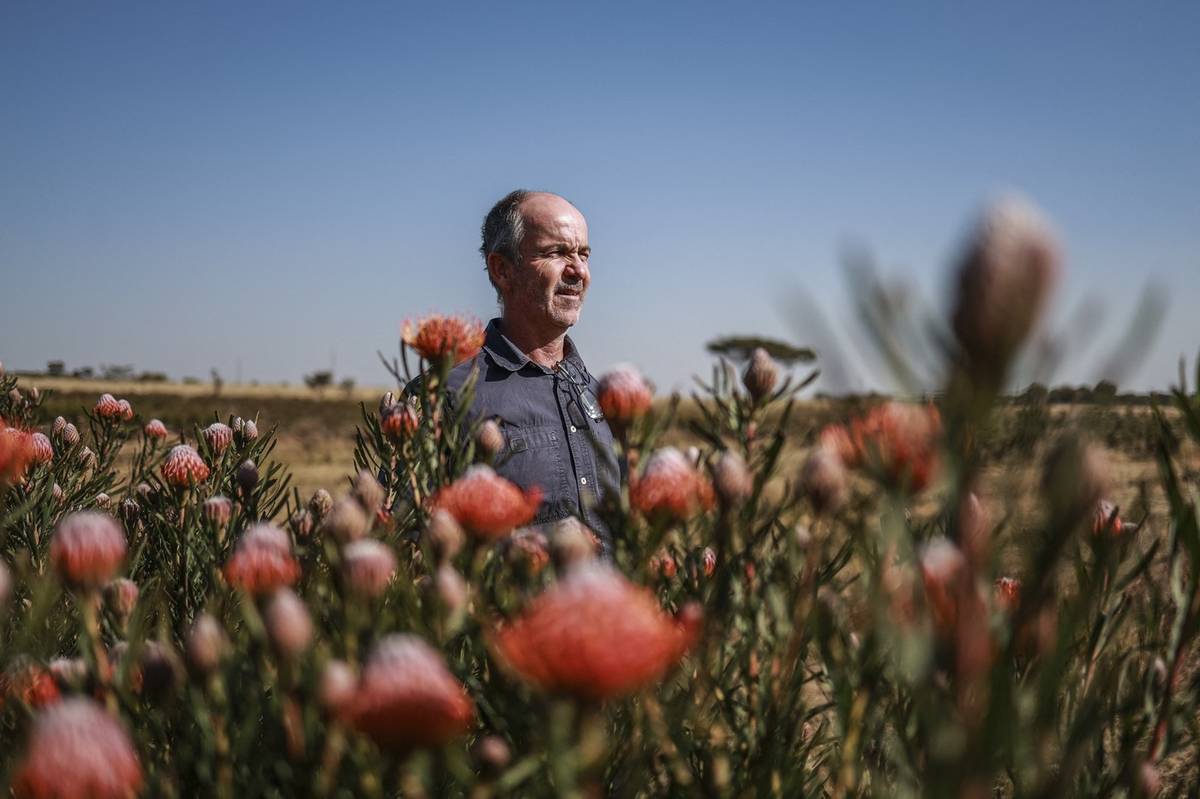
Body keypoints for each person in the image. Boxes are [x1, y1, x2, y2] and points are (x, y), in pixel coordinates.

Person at [437, 190, 622, 553]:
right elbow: (413, 542)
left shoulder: (599, 395)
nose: (579, 271)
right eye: (556, 253)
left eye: (583, 254)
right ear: (502, 270)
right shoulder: (451, 395)